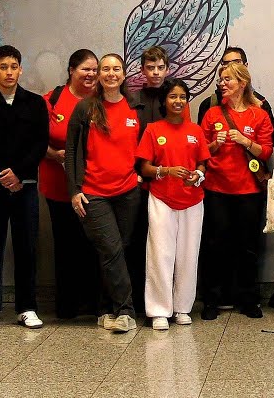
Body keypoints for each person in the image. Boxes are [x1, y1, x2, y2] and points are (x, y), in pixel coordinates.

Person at [0, 45, 50, 331]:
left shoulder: (36, 104)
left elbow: (40, 144)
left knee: (26, 247)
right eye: (3, 67)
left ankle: (27, 307)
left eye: (14, 66)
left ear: (21, 69)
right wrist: (4, 174)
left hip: (25, 185)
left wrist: (19, 173)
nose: (9, 72)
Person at [64, 53, 145, 333]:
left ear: (124, 74)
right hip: (93, 193)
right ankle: (125, 311)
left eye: (116, 69)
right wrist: (74, 190)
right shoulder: (86, 108)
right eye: (105, 69)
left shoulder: (136, 107)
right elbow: (72, 150)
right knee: (111, 249)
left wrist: (139, 173)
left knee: (118, 250)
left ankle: (105, 307)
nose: (111, 74)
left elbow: (144, 148)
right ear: (99, 74)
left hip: (127, 192)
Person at [199, 61, 274, 320]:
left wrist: (245, 141)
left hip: (249, 190)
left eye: (228, 79)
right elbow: (199, 152)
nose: (222, 84)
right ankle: (212, 299)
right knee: (215, 245)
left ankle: (249, 299)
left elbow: (266, 151)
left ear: (242, 83)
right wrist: (213, 145)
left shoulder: (259, 115)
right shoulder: (211, 114)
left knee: (248, 247)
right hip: (217, 189)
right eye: (221, 80)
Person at [135, 79, 208, 330]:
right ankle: (158, 310)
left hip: (192, 200)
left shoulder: (196, 131)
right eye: (173, 97)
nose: (178, 101)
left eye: (183, 97)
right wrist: (165, 171)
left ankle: (182, 308)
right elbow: (144, 167)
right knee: (160, 254)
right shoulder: (153, 130)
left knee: (188, 255)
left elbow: (202, 163)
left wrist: (198, 174)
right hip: (161, 199)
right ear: (164, 101)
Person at [41, 49, 101, 319]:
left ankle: (93, 302)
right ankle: (66, 305)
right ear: (71, 71)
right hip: (59, 187)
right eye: (85, 69)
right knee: (65, 246)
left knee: (93, 246)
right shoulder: (52, 100)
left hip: (95, 187)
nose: (90, 75)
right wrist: (54, 155)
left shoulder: (102, 100)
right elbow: (34, 140)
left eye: (94, 70)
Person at [125, 45, 172, 321]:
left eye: (160, 68)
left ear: (167, 69)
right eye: (150, 68)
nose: (155, 73)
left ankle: (163, 300)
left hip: (166, 183)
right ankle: (137, 302)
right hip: (138, 182)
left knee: (162, 244)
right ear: (142, 71)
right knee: (136, 240)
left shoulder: (175, 96)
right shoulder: (133, 100)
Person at [196, 46, 274, 130]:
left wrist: (247, 142)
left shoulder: (260, 102)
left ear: (245, 66)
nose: (231, 67)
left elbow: (271, 139)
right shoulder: (209, 104)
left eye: (236, 62)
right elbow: (201, 140)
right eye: (226, 63)